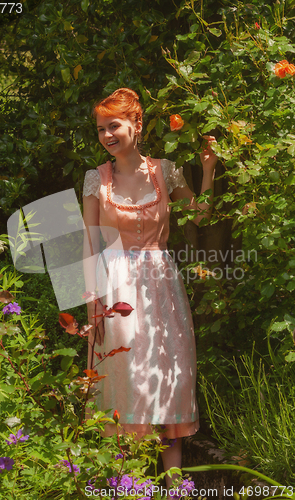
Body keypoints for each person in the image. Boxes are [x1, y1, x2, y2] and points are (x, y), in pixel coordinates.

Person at [82, 88, 217, 492]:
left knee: (167, 376)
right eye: (101, 129)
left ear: (136, 126)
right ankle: (129, 486)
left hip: (161, 286)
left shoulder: (165, 170)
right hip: (115, 287)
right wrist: (93, 301)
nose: (107, 135)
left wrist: (208, 171)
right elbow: (90, 244)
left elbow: (201, 212)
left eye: (115, 126)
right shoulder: (96, 178)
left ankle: (174, 487)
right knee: (128, 381)